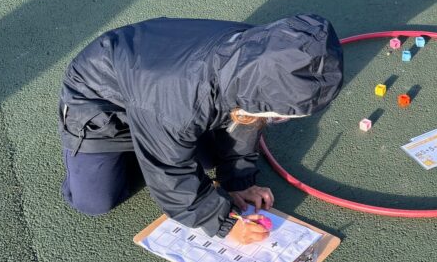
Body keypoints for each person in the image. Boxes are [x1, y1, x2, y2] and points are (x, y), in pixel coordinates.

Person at [59, 14, 343, 244]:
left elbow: (245, 120)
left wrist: (238, 181)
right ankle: (132, 142)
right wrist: (223, 224)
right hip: (99, 101)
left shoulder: (261, 55)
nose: (277, 120)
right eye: (278, 116)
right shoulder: (176, 103)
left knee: (201, 154)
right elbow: (168, 171)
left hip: (159, 84)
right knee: (94, 201)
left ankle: (155, 138)